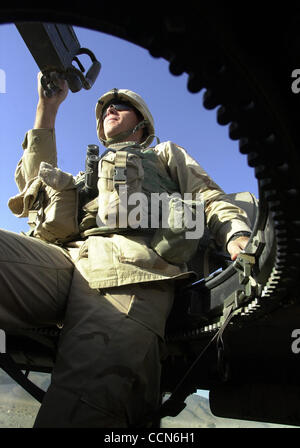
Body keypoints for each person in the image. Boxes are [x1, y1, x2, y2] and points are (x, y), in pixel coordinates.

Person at [2, 72, 252, 427]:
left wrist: (236, 238)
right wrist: (48, 106)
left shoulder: (164, 154)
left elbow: (209, 199)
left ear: (143, 123)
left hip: (131, 272)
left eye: (121, 106)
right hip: (69, 259)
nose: (110, 111)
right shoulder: (87, 175)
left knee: (85, 406)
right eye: (105, 109)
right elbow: (33, 186)